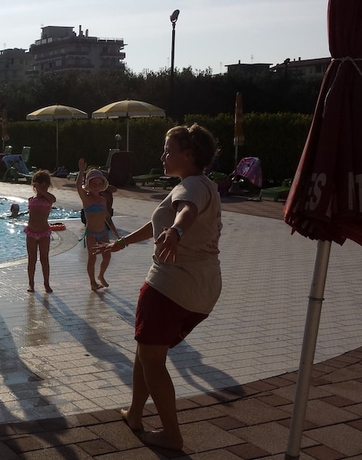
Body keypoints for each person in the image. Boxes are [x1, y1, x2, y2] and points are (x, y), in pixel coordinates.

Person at [96, 123, 221, 450]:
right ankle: (135, 414)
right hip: (202, 289)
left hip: (168, 287)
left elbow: (185, 212)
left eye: (168, 150)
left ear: (188, 154)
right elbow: (159, 224)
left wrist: (176, 233)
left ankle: (171, 434)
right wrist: (121, 243)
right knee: (146, 351)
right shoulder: (204, 184)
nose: (162, 156)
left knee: (152, 359)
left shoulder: (190, 188)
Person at [76, 162, 120, 291]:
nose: (96, 187)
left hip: (103, 233)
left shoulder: (103, 200)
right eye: (93, 184)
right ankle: (92, 282)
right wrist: (81, 171)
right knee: (92, 258)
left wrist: (116, 233)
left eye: (99, 184)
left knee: (107, 256)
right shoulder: (86, 198)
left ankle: (101, 275)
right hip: (91, 233)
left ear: (102, 186)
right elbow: (78, 186)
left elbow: (107, 218)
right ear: (88, 185)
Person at [25, 170, 56, 293]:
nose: (43, 189)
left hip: (44, 233)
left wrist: (42, 190)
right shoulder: (31, 199)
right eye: (40, 186)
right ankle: (31, 284)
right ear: (34, 186)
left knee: (44, 259)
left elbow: (53, 199)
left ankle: (46, 283)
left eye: (46, 186)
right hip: (31, 233)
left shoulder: (49, 199)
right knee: (31, 259)